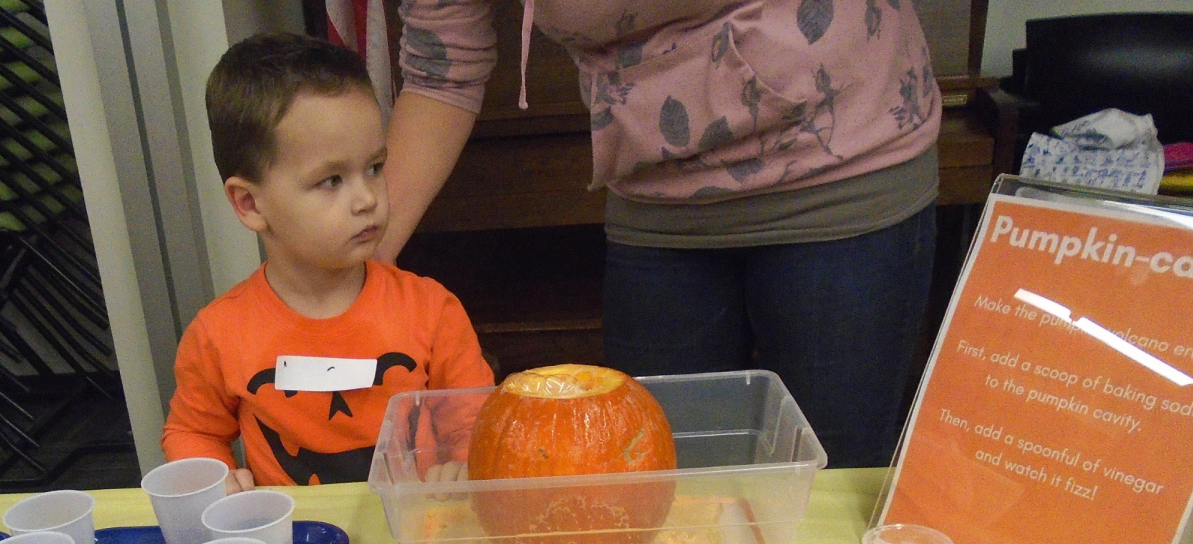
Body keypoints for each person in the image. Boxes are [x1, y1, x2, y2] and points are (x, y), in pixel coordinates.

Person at [375, 1, 940, 467]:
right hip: (653, 200)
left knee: (835, 480)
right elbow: (440, 70)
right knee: (660, 482)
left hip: (844, 172)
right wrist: (358, 262)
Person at [162, 33, 494, 492]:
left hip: (415, 537)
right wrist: (214, 479)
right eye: (331, 180)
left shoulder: (432, 310)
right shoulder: (218, 334)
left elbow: (475, 421)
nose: (366, 198)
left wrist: (464, 465)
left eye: (375, 167)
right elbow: (192, 431)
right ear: (250, 204)